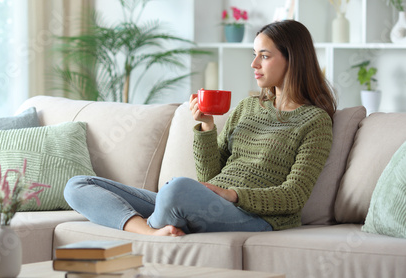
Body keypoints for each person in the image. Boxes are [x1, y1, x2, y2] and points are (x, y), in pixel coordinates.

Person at [63, 20, 336, 237]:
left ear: (293, 60)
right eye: (254, 55)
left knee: (176, 189)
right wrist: (206, 125)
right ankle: (149, 231)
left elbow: (294, 195)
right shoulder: (247, 107)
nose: (254, 64)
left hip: (254, 217)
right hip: (206, 201)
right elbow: (210, 175)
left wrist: (232, 194)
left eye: (264, 56)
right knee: (77, 184)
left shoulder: (315, 121)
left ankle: (155, 225)